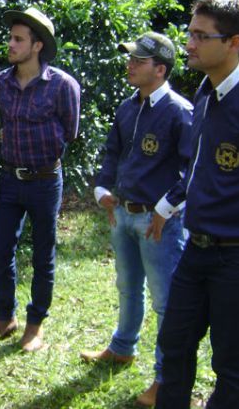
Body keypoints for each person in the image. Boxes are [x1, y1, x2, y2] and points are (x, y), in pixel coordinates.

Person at [156, 0, 239, 408]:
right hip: (197, 249)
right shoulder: (206, 94)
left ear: (233, 43)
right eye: (190, 33)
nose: (189, 44)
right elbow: (196, 168)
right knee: (174, 344)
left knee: (230, 362)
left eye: (200, 36)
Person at [79, 32, 192, 406]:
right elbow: (112, 152)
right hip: (123, 215)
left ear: (160, 69)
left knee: (166, 302)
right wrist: (102, 189)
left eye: (138, 61)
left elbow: (192, 170)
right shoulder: (128, 107)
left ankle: (166, 380)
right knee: (127, 287)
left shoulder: (179, 111)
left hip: (158, 223)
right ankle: (122, 348)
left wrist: (164, 208)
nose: (129, 65)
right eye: (130, 58)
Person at [0, 7, 80, 352]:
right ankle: (4, 318)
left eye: (18, 39)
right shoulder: (1, 82)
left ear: (37, 46)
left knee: (42, 255)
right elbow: (6, 124)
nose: (10, 44)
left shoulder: (63, 85)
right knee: (2, 250)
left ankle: (35, 326)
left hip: (45, 181)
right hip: (10, 179)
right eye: (11, 37)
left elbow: (70, 131)